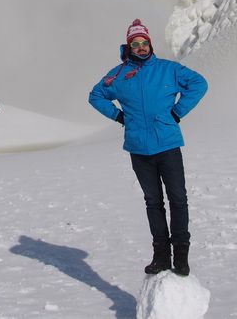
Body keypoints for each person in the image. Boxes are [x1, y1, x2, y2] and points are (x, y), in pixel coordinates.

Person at [88, 19, 208, 277]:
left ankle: (181, 255)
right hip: (139, 150)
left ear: (150, 44)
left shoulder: (169, 70)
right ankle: (161, 255)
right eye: (135, 43)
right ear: (129, 46)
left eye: (144, 43)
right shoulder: (118, 76)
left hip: (168, 145)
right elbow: (95, 95)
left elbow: (199, 83)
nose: (141, 47)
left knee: (178, 199)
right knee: (153, 202)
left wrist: (177, 112)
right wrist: (119, 116)